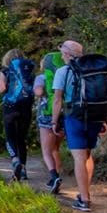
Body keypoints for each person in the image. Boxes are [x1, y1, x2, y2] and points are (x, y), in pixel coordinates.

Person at [52, 40, 107, 212]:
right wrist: (104, 119)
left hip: (74, 116)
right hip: (95, 116)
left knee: (79, 157)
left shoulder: (63, 71)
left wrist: (54, 121)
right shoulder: (95, 70)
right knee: (87, 155)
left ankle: (84, 199)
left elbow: (57, 99)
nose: (61, 55)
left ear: (68, 54)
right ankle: (85, 193)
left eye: (63, 52)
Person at [0, 49, 35, 182]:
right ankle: (23, 169)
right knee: (21, 138)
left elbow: (1, 88)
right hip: (26, 106)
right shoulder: (29, 68)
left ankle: (15, 161)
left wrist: (3, 85)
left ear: (7, 59)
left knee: (10, 136)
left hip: (10, 106)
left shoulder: (5, 70)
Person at [35, 51, 66, 194]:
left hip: (47, 114)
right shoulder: (66, 74)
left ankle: (54, 176)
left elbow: (39, 92)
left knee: (47, 151)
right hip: (64, 114)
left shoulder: (41, 77)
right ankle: (57, 176)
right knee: (56, 149)